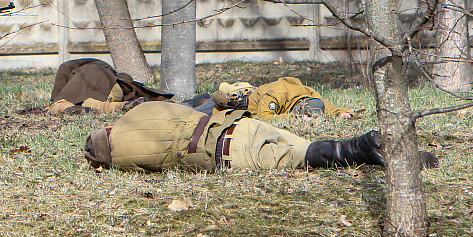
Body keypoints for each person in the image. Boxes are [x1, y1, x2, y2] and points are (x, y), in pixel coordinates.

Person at [82, 101, 439, 173]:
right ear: (108, 129)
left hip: (227, 154)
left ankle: (359, 148)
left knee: (300, 157)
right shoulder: (140, 113)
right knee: (299, 145)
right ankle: (384, 151)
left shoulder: (124, 160)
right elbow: (188, 110)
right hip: (240, 125)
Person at [48, 58, 173, 114]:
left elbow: (56, 99)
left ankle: (119, 106)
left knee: (59, 106)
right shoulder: (105, 71)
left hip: (106, 89)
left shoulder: (82, 71)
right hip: (116, 91)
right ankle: (121, 105)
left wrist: (56, 100)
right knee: (90, 103)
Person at [211, 77, 356, 120]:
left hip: (251, 90)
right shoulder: (275, 96)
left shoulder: (309, 94)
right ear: (297, 108)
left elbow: (325, 106)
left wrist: (343, 112)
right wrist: (295, 119)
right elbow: (265, 116)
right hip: (240, 97)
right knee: (209, 103)